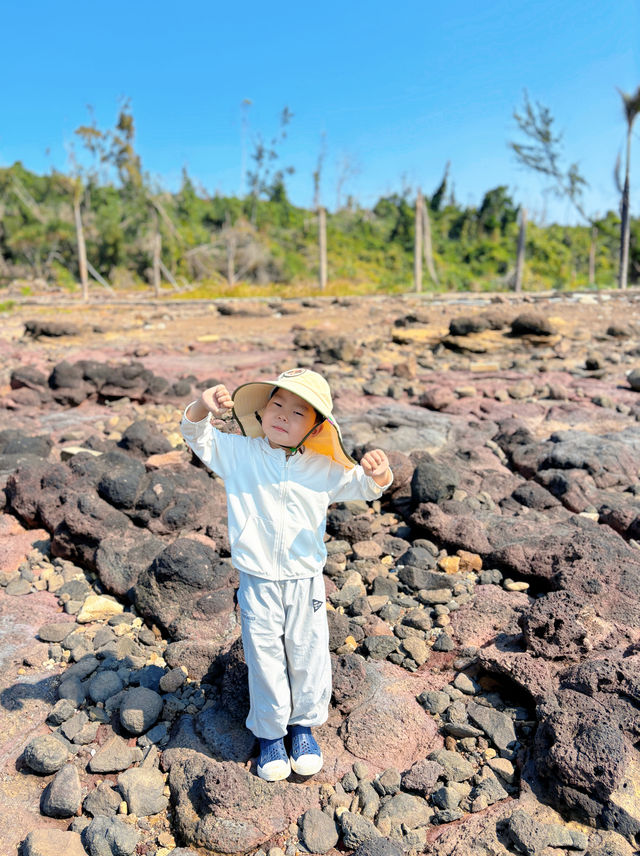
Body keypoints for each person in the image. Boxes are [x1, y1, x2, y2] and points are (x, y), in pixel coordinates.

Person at [181, 367, 393, 781]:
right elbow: (197, 436)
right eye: (277, 404)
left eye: (298, 412)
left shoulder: (324, 468)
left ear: (315, 428)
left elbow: (367, 487)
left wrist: (379, 472)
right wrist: (200, 407)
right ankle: (271, 735)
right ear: (261, 411)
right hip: (256, 579)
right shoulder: (239, 454)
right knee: (265, 658)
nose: (283, 415)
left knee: (308, 653)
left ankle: (303, 727)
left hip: (305, 580)